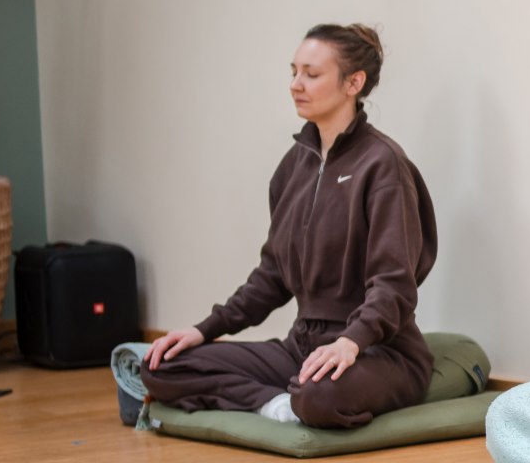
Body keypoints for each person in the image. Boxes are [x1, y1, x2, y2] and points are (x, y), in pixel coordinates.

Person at [141, 24, 437, 429]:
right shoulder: (292, 167)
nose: (296, 84)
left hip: (377, 352)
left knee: (318, 395)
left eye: (311, 74)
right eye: (293, 72)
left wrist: (351, 342)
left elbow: (394, 286)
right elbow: (273, 276)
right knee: (161, 366)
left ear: (354, 82)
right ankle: (275, 403)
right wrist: (203, 330)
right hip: (302, 347)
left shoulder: (383, 165)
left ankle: (297, 398)